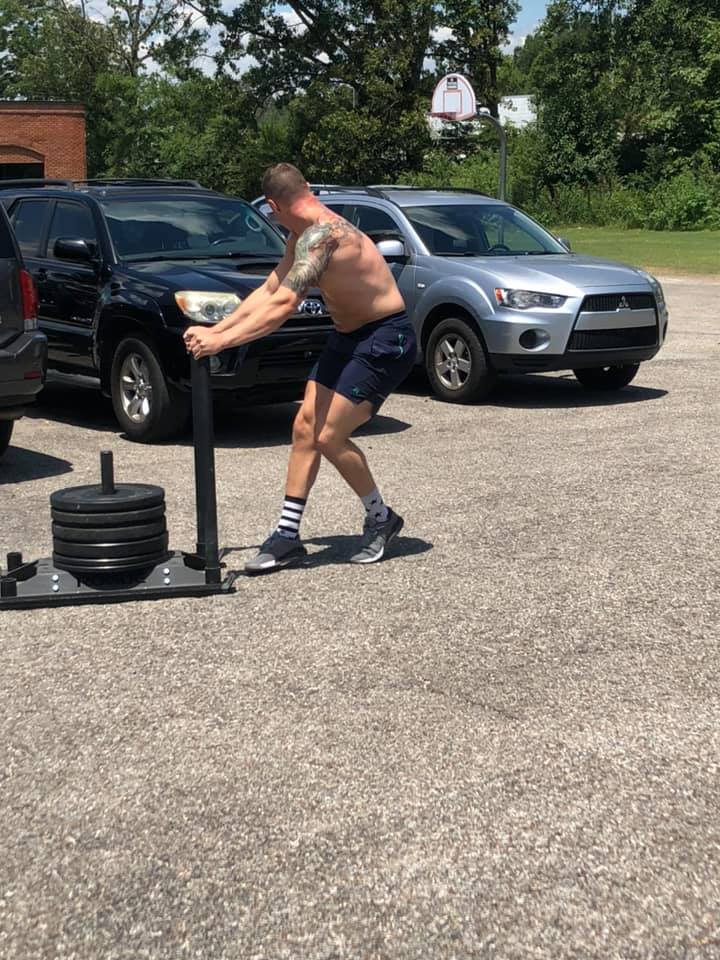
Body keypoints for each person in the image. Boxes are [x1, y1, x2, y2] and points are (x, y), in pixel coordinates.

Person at [183, 163, 416, 572]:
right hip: (348, 336)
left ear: (273, 207)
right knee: (305, 427)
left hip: (385, 339)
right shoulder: (301, 235)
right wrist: (216, 329)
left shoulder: (323, 237)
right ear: (305, 188)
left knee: (329, 436)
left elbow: (284, 306)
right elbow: (271, 288)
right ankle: (287, 537)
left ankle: (382, 518)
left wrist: (221, 343)